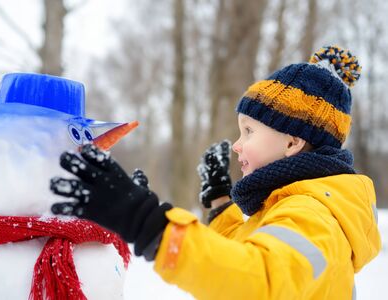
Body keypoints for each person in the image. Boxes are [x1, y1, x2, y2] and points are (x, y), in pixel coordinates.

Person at [50, 46, 381, 299]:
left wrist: (147, 223)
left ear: (293, 142)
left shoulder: (314, 215)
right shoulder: (294, 207)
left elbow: (254, 282)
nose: (237, 145)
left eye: (249, 132)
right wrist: (223, 207)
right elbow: (243, 259)